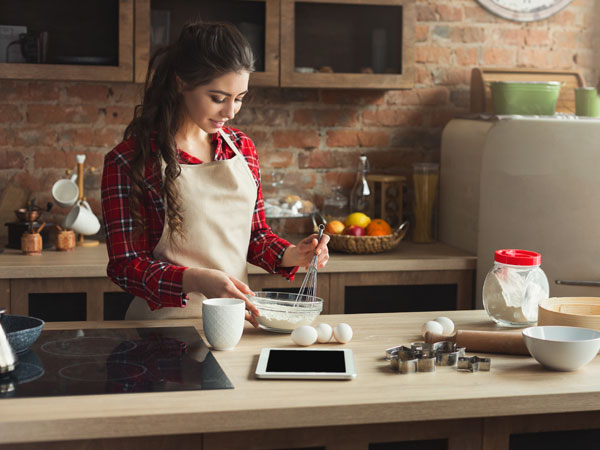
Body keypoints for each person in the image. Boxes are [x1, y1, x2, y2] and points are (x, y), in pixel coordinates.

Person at [101, 21, 329, 324]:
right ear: (181, 83)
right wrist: (195, 280)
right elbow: (125, 265)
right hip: (162, 330)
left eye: (240, 98)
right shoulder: (130, 160)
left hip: (233, 324)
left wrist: (294, 254)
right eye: (218, 98)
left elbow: (254, 236)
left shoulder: (241, 147)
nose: (231, 111)